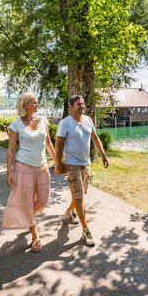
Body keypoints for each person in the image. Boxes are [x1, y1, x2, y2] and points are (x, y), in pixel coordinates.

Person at [3, 92, 57, 253]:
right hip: (23, 166)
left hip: (42, 166)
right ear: (25, 106)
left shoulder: (43, 121)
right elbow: (11, 150)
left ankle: (27, 216)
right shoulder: (16, 125)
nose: (37, 105)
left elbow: (48, 143)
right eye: (34, 102)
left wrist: (58, 162)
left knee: (43, 200)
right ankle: (35, 236)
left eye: (37, 102)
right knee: (27, 203)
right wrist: (9, 173)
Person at [55, 95, 109, 247]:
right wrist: (58, 164)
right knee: (79, 197)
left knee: (79, 194)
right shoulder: (65, 123)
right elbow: (58, 144)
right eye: (79, 104)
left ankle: (69, 212)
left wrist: (103, 155)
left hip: (86, 163)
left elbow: (95, 138)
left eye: (83, 103)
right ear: (71, 107)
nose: (82, 106)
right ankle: (86, 230)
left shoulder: (88, 120)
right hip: (72, 164)